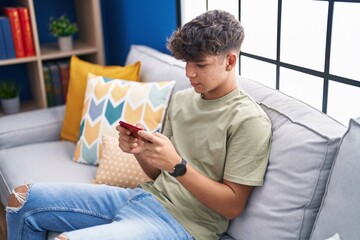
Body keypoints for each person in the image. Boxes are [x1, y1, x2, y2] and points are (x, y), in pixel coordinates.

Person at [6, 10, 271, 240]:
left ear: (230, 61)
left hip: (183, 223)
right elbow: (158, 176)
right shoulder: (181, 101)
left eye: (200, 64)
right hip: (141, 197)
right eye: (187, 63)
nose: (189, 73)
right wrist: (142, 151)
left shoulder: (249, 121)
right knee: (22, 200)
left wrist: (177, 165)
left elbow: (233, 206)